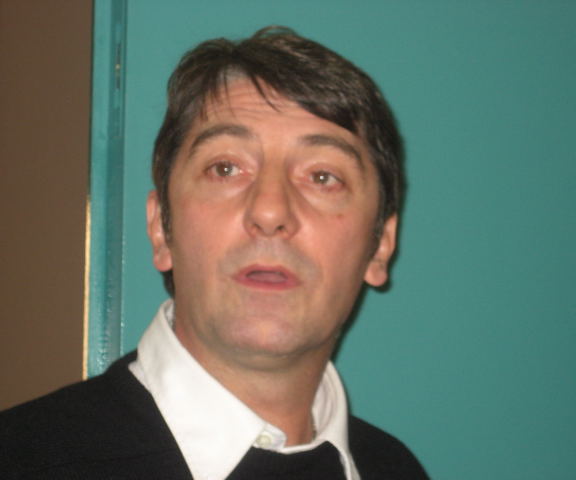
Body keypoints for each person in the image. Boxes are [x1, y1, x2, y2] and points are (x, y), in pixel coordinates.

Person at [0, 27, 429, 479]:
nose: (269, 211)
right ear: (161, 228)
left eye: (323, 177)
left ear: (380, 245)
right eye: (225, 168)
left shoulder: (395, 469)